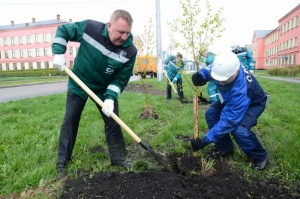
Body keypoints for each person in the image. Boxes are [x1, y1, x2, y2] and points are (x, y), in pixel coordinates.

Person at [52, 9, 137, 175]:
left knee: (113, 121)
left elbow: (120, 78)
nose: (124, 37)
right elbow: (63, 30)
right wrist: (58, 52)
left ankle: (118, 158)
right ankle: (62, 161)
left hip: (103, 90)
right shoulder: (90, 28)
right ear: (109, 25)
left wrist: (110, 98)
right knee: (70, 120)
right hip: (79, 83)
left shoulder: (130, 51)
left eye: (127, 33)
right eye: (121, 32)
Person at [191, 51, 268, 170]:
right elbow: (208, 71)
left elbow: (228, 121)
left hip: (253, 103)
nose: (220, 82)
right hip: (229, 97)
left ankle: (260, 156)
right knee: (211, 113)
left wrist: (204, 140)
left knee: (239, 130)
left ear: (236, 72)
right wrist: (200, 76)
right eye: (218, 78)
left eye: (224, 80)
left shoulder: (241, 90)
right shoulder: (222, 66)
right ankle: (225, 148)